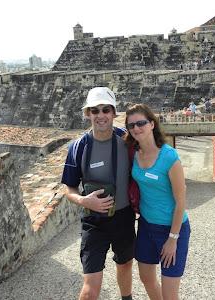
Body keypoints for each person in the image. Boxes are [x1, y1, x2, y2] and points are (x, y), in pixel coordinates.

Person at [61, 87, 136, 300]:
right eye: (95, 110)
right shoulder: (79, 147)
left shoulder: (127, 141)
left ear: (113, 113)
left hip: (124, 217)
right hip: (94, 222)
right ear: (88, 114)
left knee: (125, 264)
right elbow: (69, 189)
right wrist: (84, 200)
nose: (100, 115)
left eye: (105, 109)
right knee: (91, 288)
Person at [124, 103, 191, 300]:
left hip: (171, 229)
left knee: (170, 295)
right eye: (131, 125)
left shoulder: (169, 156)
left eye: (141, 123)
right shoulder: (134, 153)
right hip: (146, 226)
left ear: (152, 124)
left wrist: (172, 239)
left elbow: (181, 201)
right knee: (146, 279)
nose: (136, 128)